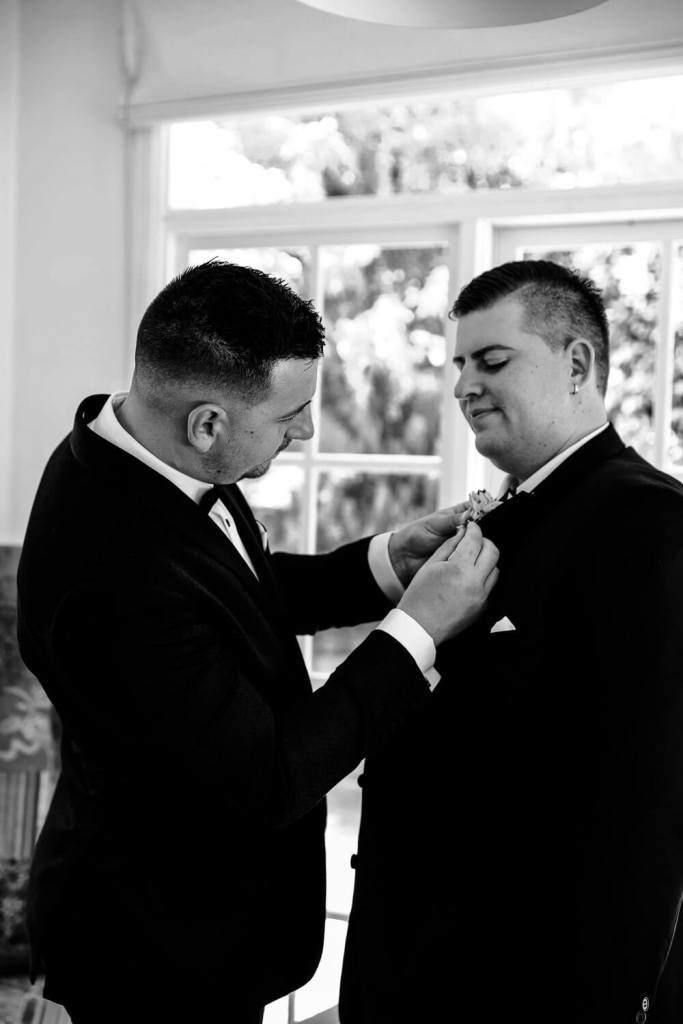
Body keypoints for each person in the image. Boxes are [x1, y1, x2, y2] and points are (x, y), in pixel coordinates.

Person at [17, 260, 499, 1024]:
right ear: (207, 422)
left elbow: (232, 589)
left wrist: (383, 565)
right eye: (289, 417)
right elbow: (266, 779)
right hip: (155, 953)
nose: (306, 432)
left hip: (200, 933)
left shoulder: (143, 453)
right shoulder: (108, 576)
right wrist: (418, 630)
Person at [339, 259, 683, 1024]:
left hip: (518, 980)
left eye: (491, 361)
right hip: (413, 959)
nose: (463, 386)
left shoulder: (646, 525)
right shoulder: (502, 515)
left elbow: (647, 799)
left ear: (578, 364)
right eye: (457, 363)